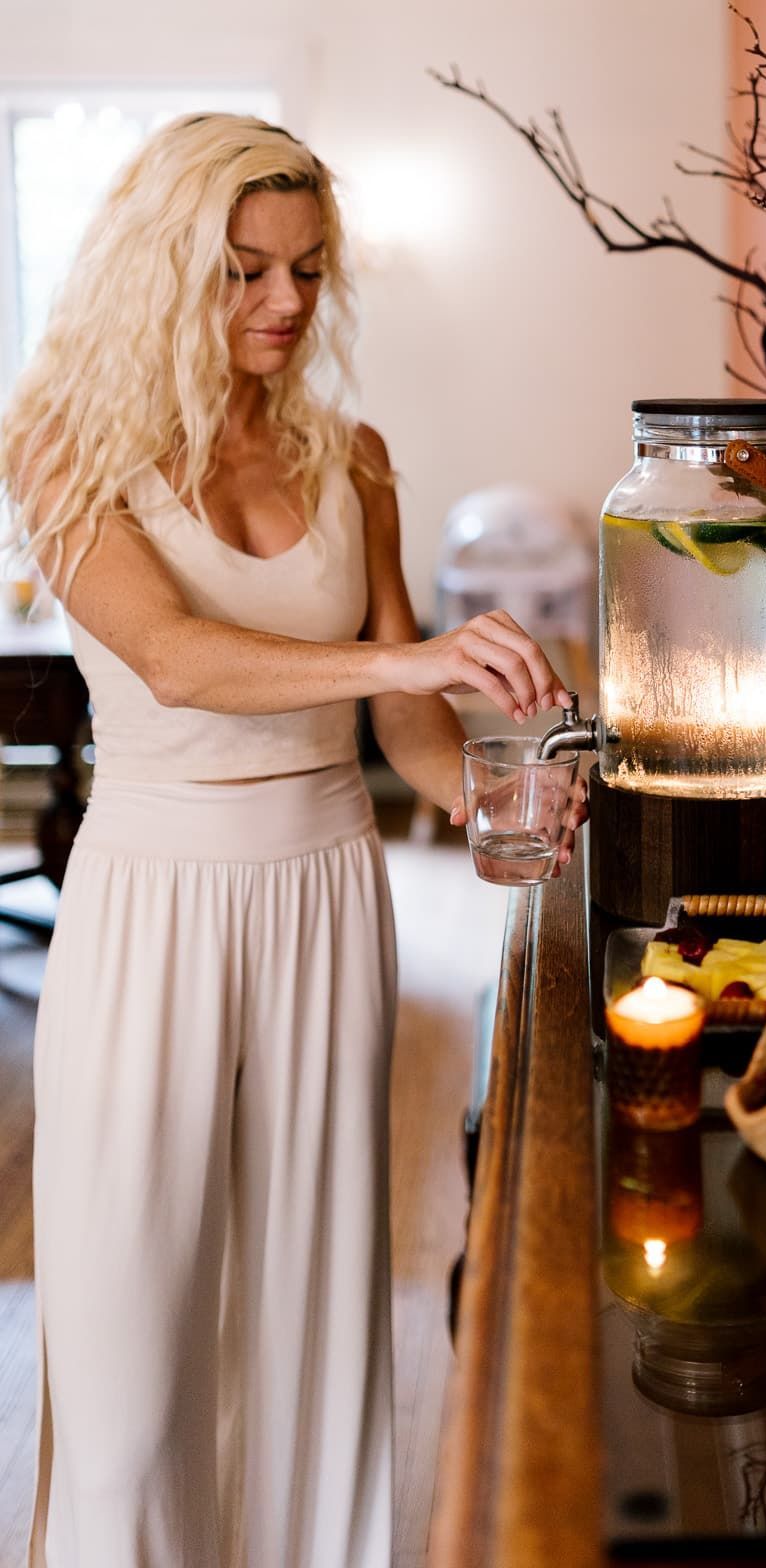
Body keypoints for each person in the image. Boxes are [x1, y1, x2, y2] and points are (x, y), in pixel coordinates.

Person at [0, 114, 584, 1567]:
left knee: (313, 1317)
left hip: (328, 889)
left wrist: (490, 797)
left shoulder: (354, 458)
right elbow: (178, 660)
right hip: (151, 899)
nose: (283, 304)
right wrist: (414, 662)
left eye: (309, 272)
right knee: (129, 1353)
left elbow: (404, 736)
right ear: (163, 266)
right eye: (245, 269)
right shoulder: (63, 446)